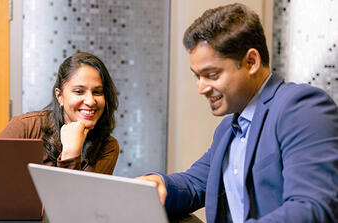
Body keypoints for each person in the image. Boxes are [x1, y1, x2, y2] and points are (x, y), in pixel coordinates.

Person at [137, 3, 338, 222]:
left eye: (212, 75)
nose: (201, 88)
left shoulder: (301, 108)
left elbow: (312, 208)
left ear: (251, 61)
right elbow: (195, 183)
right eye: (197, 76)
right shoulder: (228, 129)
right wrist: (157, 183)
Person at [0, 52, 119, 174]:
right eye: (79, 91)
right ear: (60, 96)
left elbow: (78, 193)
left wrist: (70, 154)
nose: (91, 101)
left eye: (97, 92)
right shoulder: (25, 127)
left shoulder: (108, 147)